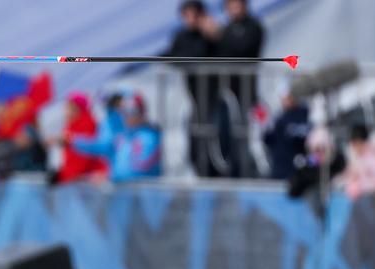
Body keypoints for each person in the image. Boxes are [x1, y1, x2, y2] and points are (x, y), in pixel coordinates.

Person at [162, 0, 217, 176]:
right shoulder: (181, 36)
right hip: (193, 95)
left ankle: (212, 172)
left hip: (213, 95)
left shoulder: (210, 35)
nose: (191, 19)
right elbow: (172, 55)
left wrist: (213, 34)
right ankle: (200, 171)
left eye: (195, 14)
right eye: (187, 15)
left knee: (212, 136)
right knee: (194, 135)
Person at [212, 0, 265, 176]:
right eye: (230, 5)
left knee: (245, 136)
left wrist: (219, 36)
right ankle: (230, 171)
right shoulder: (227, 30)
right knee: (225, 136)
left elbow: (243, 50)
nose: (233, 9)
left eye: (236, 4)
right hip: (226, 95)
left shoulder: (253, 28)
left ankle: (248, 172)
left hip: (246, 94)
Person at [69, 92, 161, 182]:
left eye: (132, 112)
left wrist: (109, 177)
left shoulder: (148, 138)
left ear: (141, 113)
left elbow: (139, 170)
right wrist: (73, 141)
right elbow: (103, 146)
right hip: (125, 192)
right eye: (123, 112)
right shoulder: (124, 137)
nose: (126, 116)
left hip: (141, 193)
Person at [47, 91, 108, 183]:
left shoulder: (88, 124)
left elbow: (85, 155)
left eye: (69, 108)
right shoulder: (71, 126)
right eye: (66, 108)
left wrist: (68, 176)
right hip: (75, 177)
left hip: (85, 178)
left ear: (78, 109)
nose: (66, 112)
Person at [262, 83, 310, 180]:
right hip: (281, 168)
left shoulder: (303, 117)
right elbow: (268, 138)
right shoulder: (279, 118)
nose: (284, 101)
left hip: (297, 171)